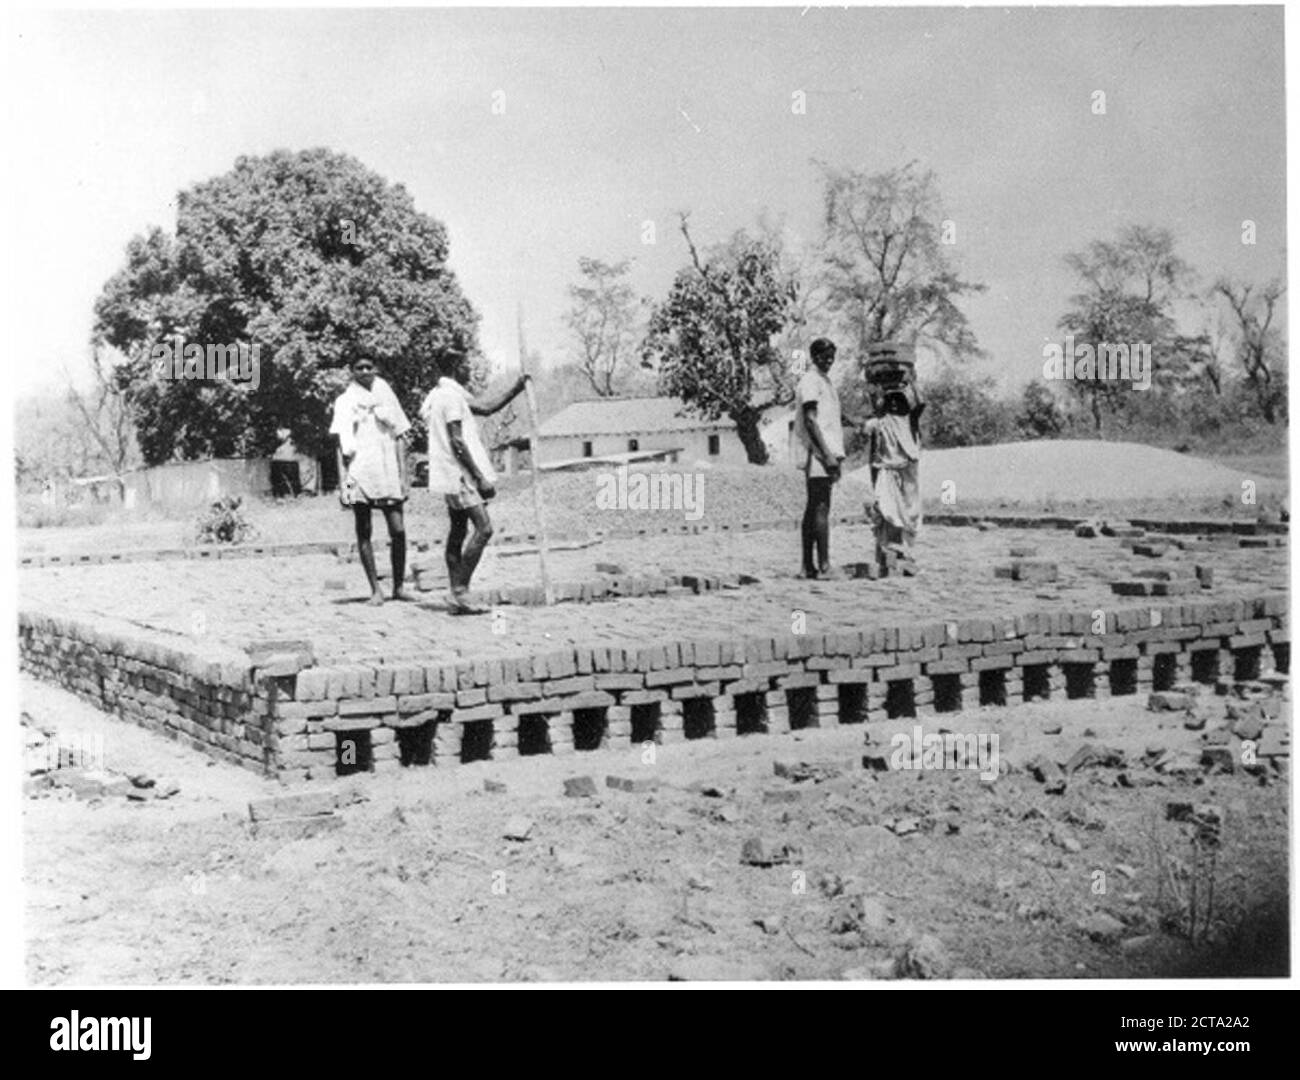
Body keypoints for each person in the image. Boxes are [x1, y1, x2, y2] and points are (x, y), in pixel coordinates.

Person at [420, 349, 529, 614]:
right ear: (457, 369)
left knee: (458, 531)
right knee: (484, 528)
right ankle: (460, 590)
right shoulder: (449, 398)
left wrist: (518, 387)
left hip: (451, 473)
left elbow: (486, 407)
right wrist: (479, 477)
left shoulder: (442, 396)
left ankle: (457, 593)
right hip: (460, 473)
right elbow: (457, 441)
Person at [329, 357, 413, 605]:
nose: (365, 371)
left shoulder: (387, 396)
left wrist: (404, 476)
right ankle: (375, 589)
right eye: (359, 367)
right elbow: (340, 445)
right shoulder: (345, 402)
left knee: (398, 530)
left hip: (387, 470)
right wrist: (344, 486)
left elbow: (400, 436)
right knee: (364, 529)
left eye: (369, 367)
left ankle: (398, 586)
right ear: (352, 371)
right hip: (359, 470)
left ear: (375, 369)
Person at [791, 338, 845, 579]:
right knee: (821, 507)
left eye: (832, 357)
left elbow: (827, 416)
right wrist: (827, 455)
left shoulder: (823, 380)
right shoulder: (811, 380)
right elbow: (811, 420)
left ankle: (808, 566)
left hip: (825, 450)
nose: (829, 361)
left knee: (814, 506)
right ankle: (822, 566)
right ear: (814, 356)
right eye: (825, 356)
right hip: (820, 452)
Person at [863, 383, 925, 576]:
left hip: (907, 473)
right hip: (887, 472)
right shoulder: (880, 423)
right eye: (892, 402)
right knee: (888, 512)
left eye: (899, 401)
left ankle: (904, 553)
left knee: (908, 513)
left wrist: (912, 384)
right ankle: (887, 552)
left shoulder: (909, 421)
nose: (896, 406)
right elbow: (873, 454)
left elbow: (921, 404)